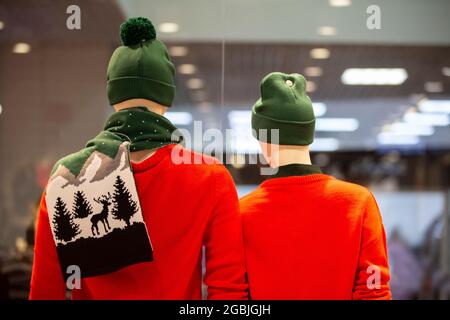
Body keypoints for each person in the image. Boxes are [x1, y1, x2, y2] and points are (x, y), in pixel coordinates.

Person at [29, 17, 248, 300]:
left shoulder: (65, 178)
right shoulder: (210, 177)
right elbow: (227, 293)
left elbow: (45, 294)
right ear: (166, 97)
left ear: (113, 94)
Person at [239, 72, 391, 300]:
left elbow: (234, 294)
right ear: (308, 135)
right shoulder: (359, 203)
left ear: (264, 140)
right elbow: (374, 289)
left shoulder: (241, 212)